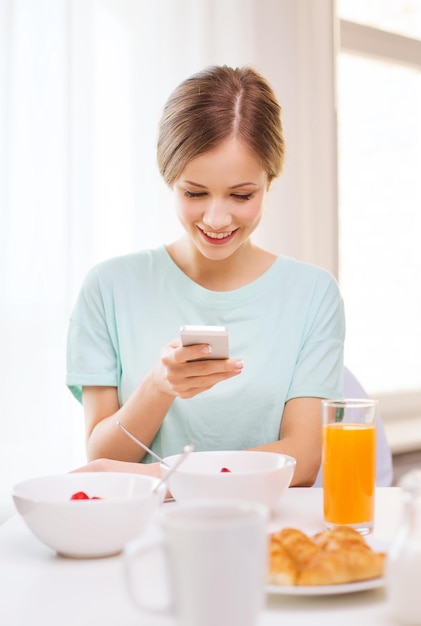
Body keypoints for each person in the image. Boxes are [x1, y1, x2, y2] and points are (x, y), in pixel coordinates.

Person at [66, 65, 345, 486]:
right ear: (169, 178)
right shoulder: (109, 287)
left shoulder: (312, 293)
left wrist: (167, 478)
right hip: (145, 536)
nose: (217, 219)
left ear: (270, 180)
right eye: (194, 193)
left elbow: (303, 460)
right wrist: (159, 386)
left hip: (265, 529)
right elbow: (104, 461)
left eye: (241, 195)